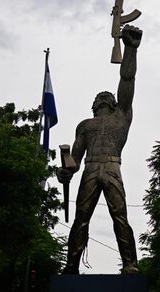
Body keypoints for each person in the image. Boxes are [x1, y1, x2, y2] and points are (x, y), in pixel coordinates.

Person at [57, 24, 142, 275]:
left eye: (107, 96)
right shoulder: (85, 125)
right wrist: (64, 171)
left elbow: (127, 80)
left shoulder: (122, 117)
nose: (103, 98)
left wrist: (130, 49)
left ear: (115, 103)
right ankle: (71, 265)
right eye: (99, 97)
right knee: (81, 218)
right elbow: (74, 159)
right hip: (90, 168)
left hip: (113, 166)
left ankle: (129, 264)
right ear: (93, 105)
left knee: (120, 217)